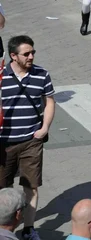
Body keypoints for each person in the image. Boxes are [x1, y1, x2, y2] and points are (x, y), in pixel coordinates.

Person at [0, 35, 56, 240]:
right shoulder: (1, 76)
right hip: (3, 143)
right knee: (2, 188)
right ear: (13, 56)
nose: (31, 56)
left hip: (31, 140)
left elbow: (49, 101)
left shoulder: (42, 74)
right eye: (26, 54)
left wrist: (45, 127)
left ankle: (28, 229)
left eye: (33, 52)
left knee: (31, 186)